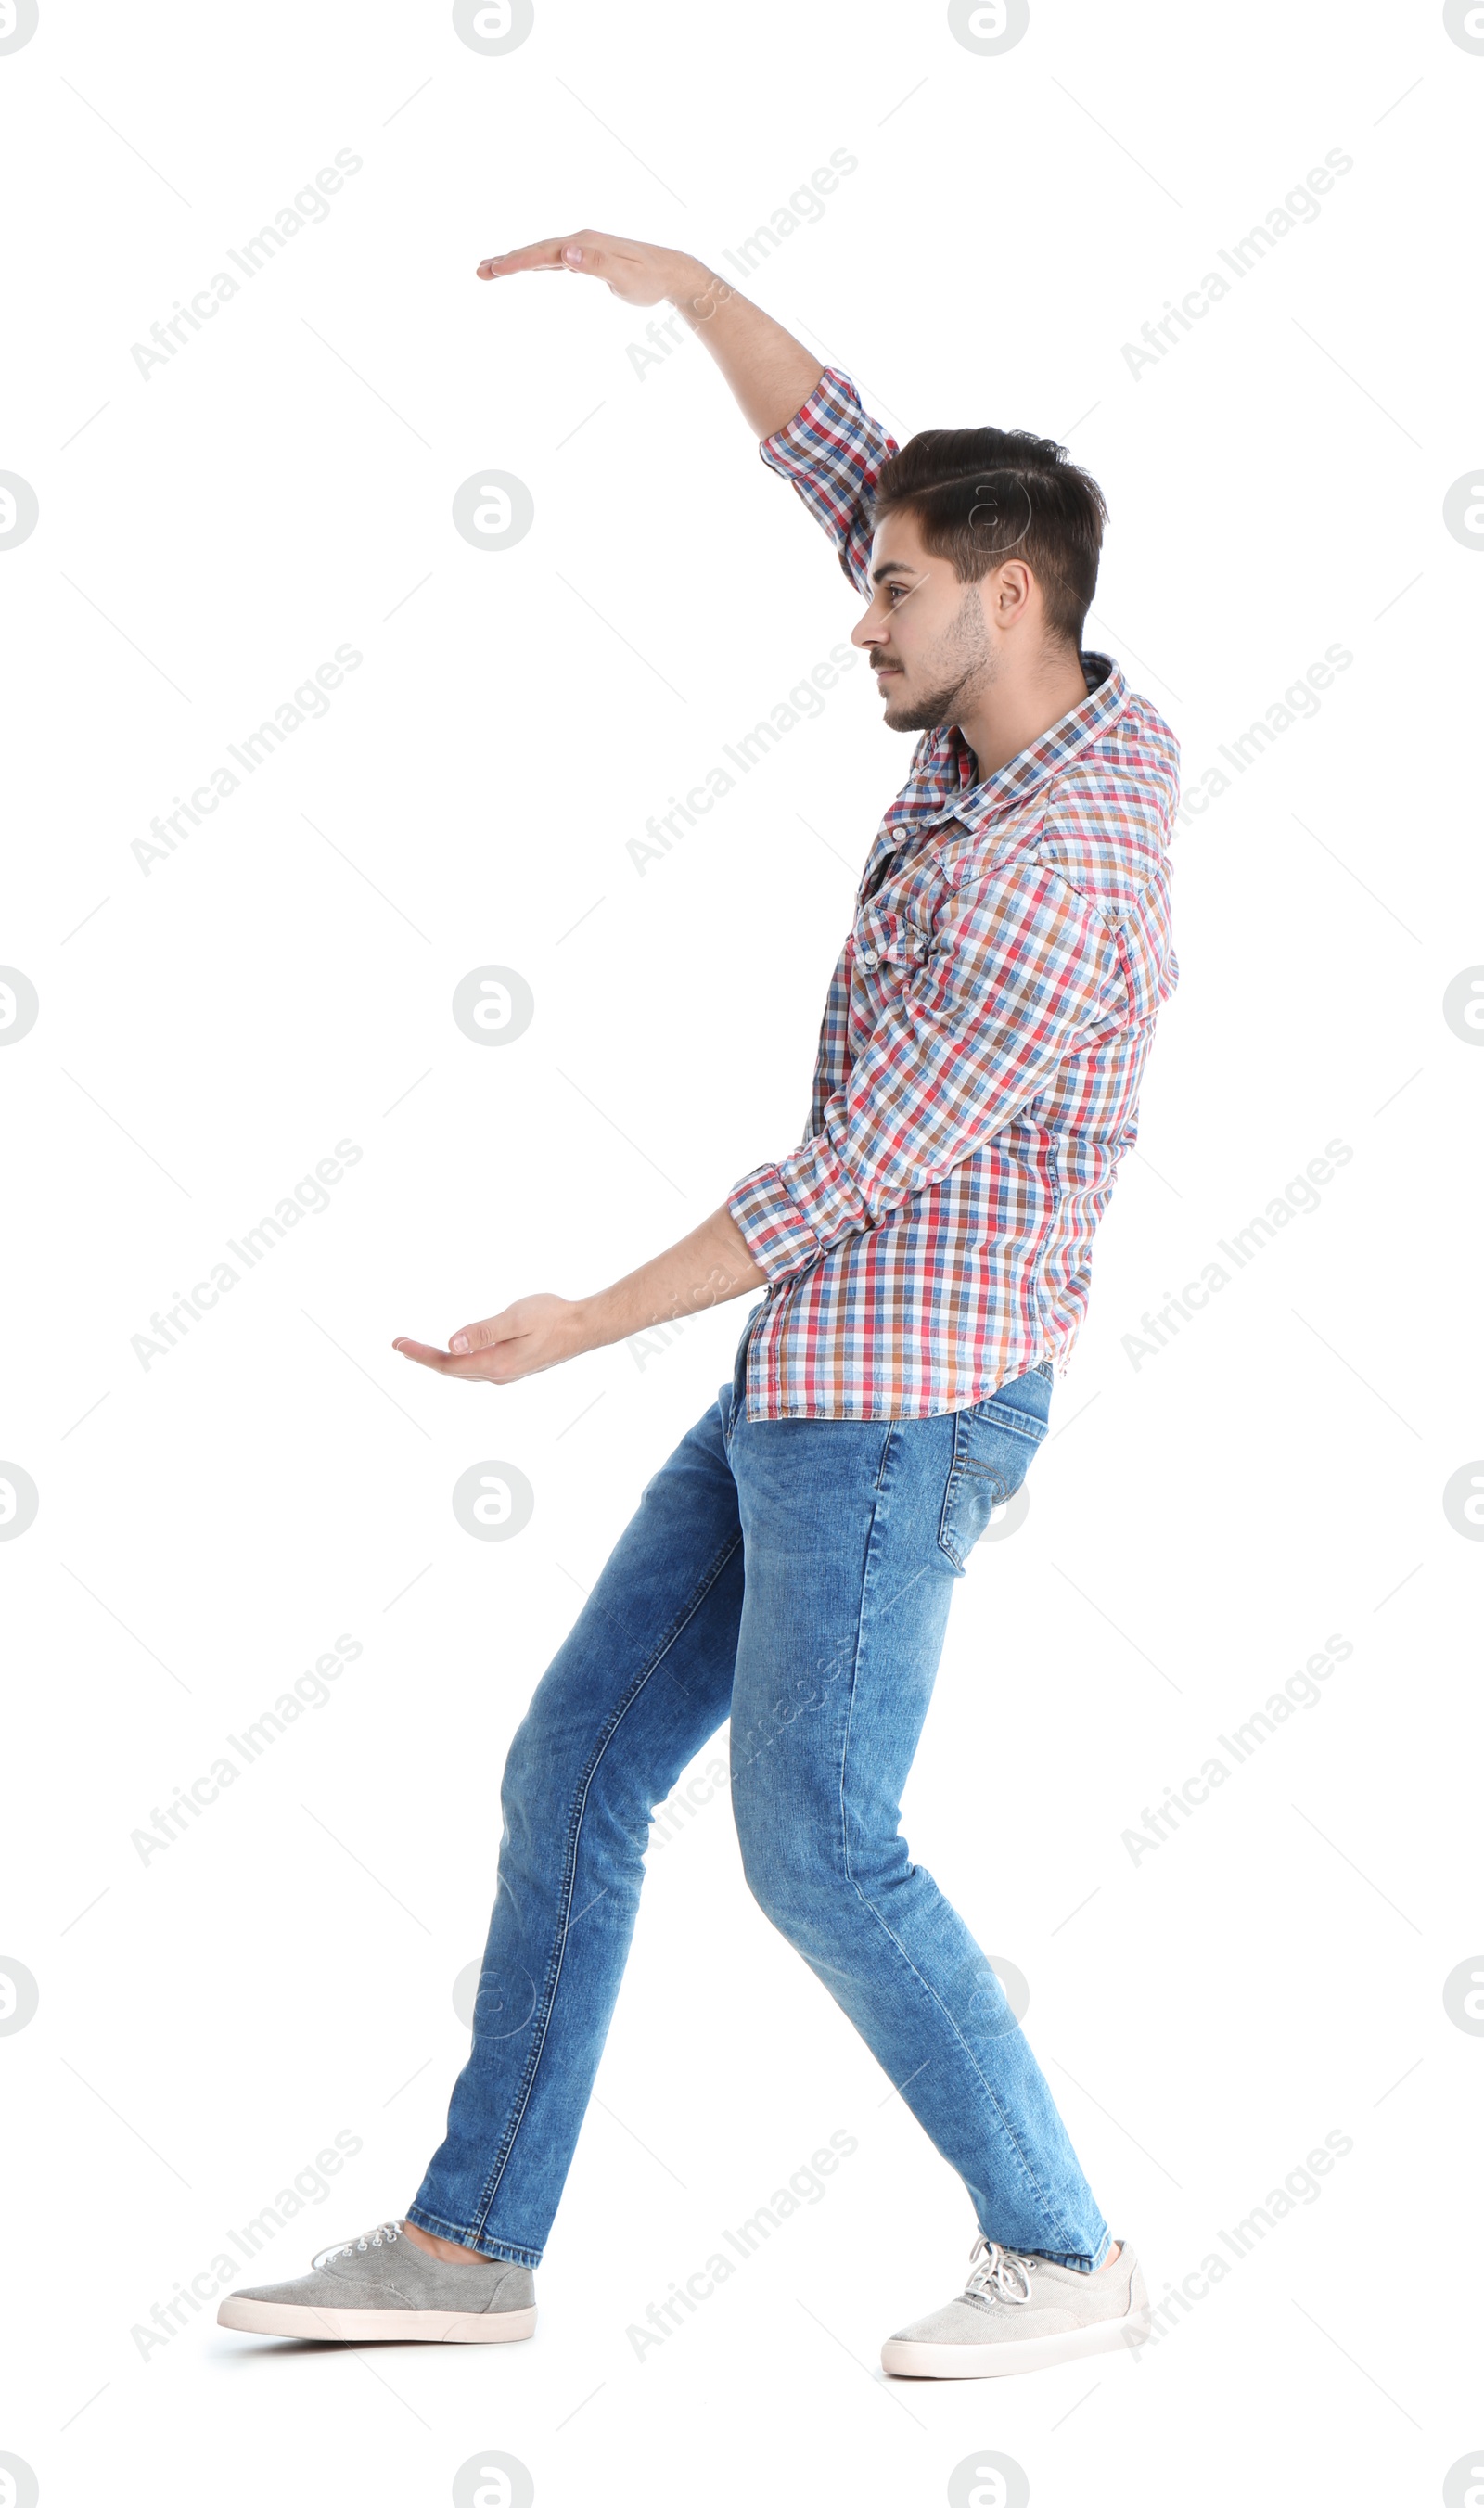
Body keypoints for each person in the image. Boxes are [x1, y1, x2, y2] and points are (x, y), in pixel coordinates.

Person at [219, 229, 1178, 2378]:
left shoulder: (1048, 877)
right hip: (812, 1374)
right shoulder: (1057, 712)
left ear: (1001, 599)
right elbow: (850, 456)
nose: (862, 610)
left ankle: (1058, 2242)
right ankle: (472, 2246)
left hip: (895, 1408)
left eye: (896, 591)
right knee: (572, 1763)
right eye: (874, 575)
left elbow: (833, 1180)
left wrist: (572, 1319)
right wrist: (679, 286)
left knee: (821, 1844)